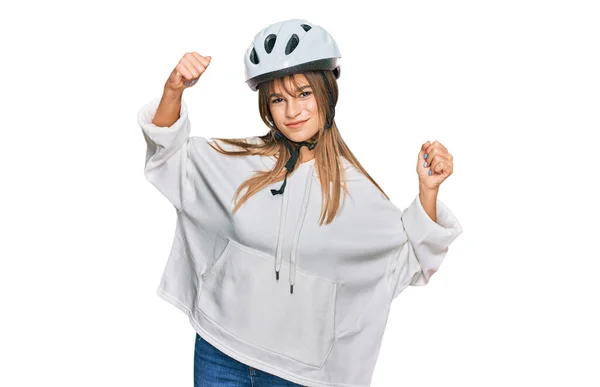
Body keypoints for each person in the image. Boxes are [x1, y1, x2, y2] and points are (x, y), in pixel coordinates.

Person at [138, 18, 463, 387]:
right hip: (219, 352)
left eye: (304, 93)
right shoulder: (238, 162)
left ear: (327, 94)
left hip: (301, 374)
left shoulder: (356, 193)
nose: (292, 112)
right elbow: (169, 158)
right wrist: (173, 89)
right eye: (278, 99)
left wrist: (428, 191)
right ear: (267, 106)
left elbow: (412, 261)